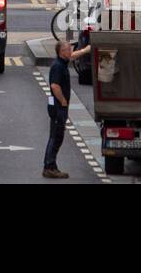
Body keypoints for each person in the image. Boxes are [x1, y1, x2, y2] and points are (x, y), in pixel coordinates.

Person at [44, 39, 91, 179]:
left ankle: (50, 165)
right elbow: (55, 86)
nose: (71, 51)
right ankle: (49, 166)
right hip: (58, 107)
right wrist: (63, 101)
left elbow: (74, 55)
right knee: (56, 137)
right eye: (68, 49)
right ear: (61, 52)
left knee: (57, 136)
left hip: (58, 107)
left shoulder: (62, 61)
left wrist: (87, 49)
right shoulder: (58, 66)